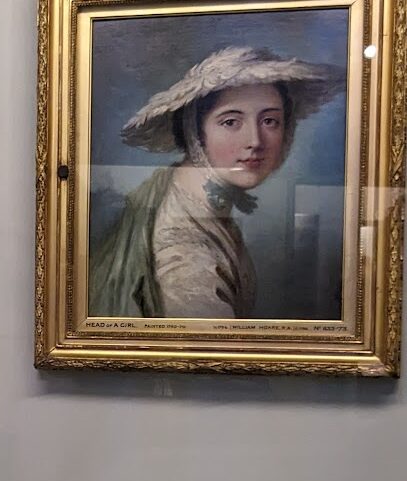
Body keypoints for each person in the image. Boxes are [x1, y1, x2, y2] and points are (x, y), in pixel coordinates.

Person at [88, 46, 346, 318]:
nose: (255, 141)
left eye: (270, 121)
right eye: (231, 122)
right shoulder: (185, 249)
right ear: (196, 132)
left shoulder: (189, 193)